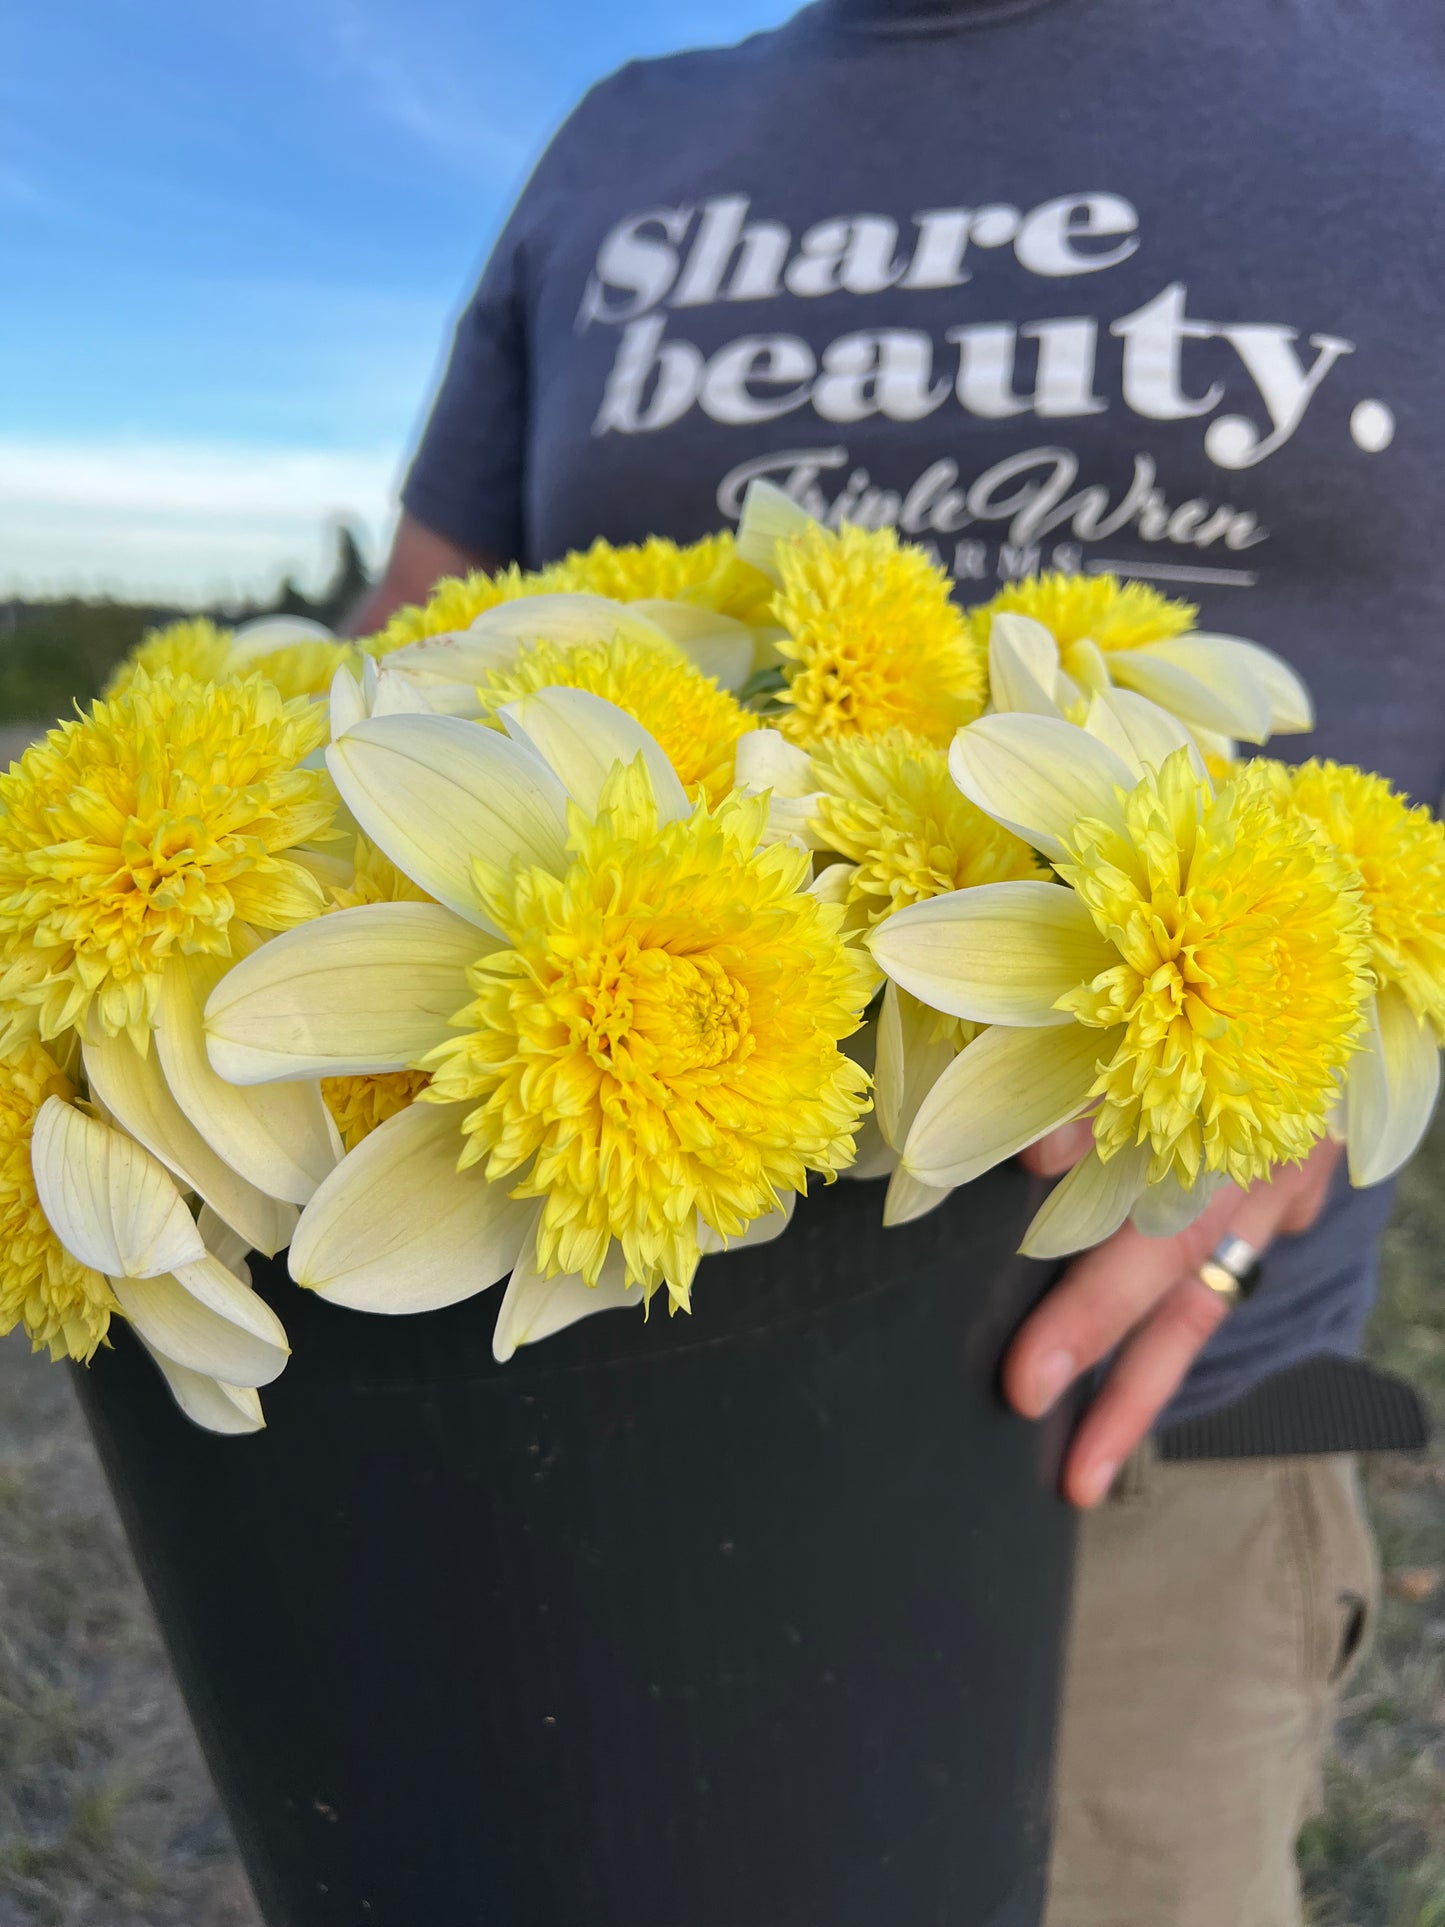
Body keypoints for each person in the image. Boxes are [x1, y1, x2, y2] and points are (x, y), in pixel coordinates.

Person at [351, 2, 1445, 1920]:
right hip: (558, 1407)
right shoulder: (625, 135)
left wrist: (1287, 1053)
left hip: (1115, 1457)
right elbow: (392, 694)